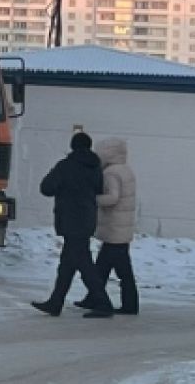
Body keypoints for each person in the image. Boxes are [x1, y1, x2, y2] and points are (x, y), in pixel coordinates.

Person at [31, 131, 115, 318]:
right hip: (87, 219)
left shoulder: (65, 166)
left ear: (72, 146)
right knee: (67, 264)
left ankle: (103, 303)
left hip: (70, 219)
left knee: (84, 264)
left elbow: (46, 188)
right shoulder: (95, 167)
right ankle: (56, 302)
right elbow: (98, 189)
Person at [75, 138, 139, 315]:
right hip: (121, 227)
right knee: (103, 266)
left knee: (122, 270)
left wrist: (92, 200)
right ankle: (94, 298)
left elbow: (113, 197)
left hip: (114, 227)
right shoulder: (126, 170)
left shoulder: (111, 173)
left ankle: (129, 304)